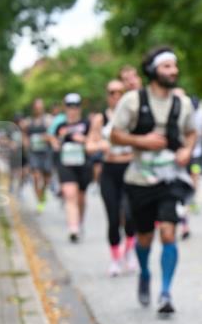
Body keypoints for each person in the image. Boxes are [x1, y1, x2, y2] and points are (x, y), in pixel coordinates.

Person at [109, 46, 196, 315]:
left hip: (171, 178)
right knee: (144, 236)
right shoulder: (133, 101)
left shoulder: (182, 103)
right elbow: (115, 135)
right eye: (167, 66)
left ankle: (166, 292)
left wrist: (187, 150)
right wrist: (141, 141)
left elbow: (191, 133)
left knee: (168, 232)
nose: (173, 71)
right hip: (140, 179)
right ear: (152, 70)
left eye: (175, 66)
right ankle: (145, 273)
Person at [89, 79, 138, 276]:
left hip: (130, 170)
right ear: (107, 95)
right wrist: (100, 145)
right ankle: (115, 259)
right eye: (112, 93)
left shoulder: (133, 116)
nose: (116, 96)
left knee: (130, 215)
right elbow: (89, 145)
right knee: (113, 218)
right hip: (109, 172)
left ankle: (130, 251)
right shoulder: (100, 119)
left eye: (120, 92)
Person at [50, 93, 92, 243]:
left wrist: (83, 140)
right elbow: (54, 141)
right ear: (65, 108)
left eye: (75, 107)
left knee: (80, 197)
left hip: (83, 164)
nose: (73, 110)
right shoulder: (60, 126)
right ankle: (73, 229)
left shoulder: (87, 123)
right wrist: (57, 141)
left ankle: (79, 223)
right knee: (69, 194)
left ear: (80, 108)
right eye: (70, 107)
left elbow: (93, 141)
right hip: (66, 163)